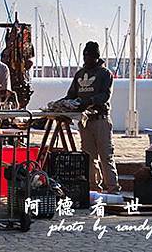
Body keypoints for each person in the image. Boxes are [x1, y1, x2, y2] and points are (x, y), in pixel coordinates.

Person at [66, 41, 121, 194]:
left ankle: (113, 189)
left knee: (106, 155)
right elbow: (71, 94)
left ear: (96, 56)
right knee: (88, 157)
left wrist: (90, 101)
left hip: (100, 119)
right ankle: (93, 188)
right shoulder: (79, 74)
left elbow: (105, 95)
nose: (86, 59)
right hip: (85, 120)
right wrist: (65, 104)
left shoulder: (105, 74)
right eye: (84, 55)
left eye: (89, 56)